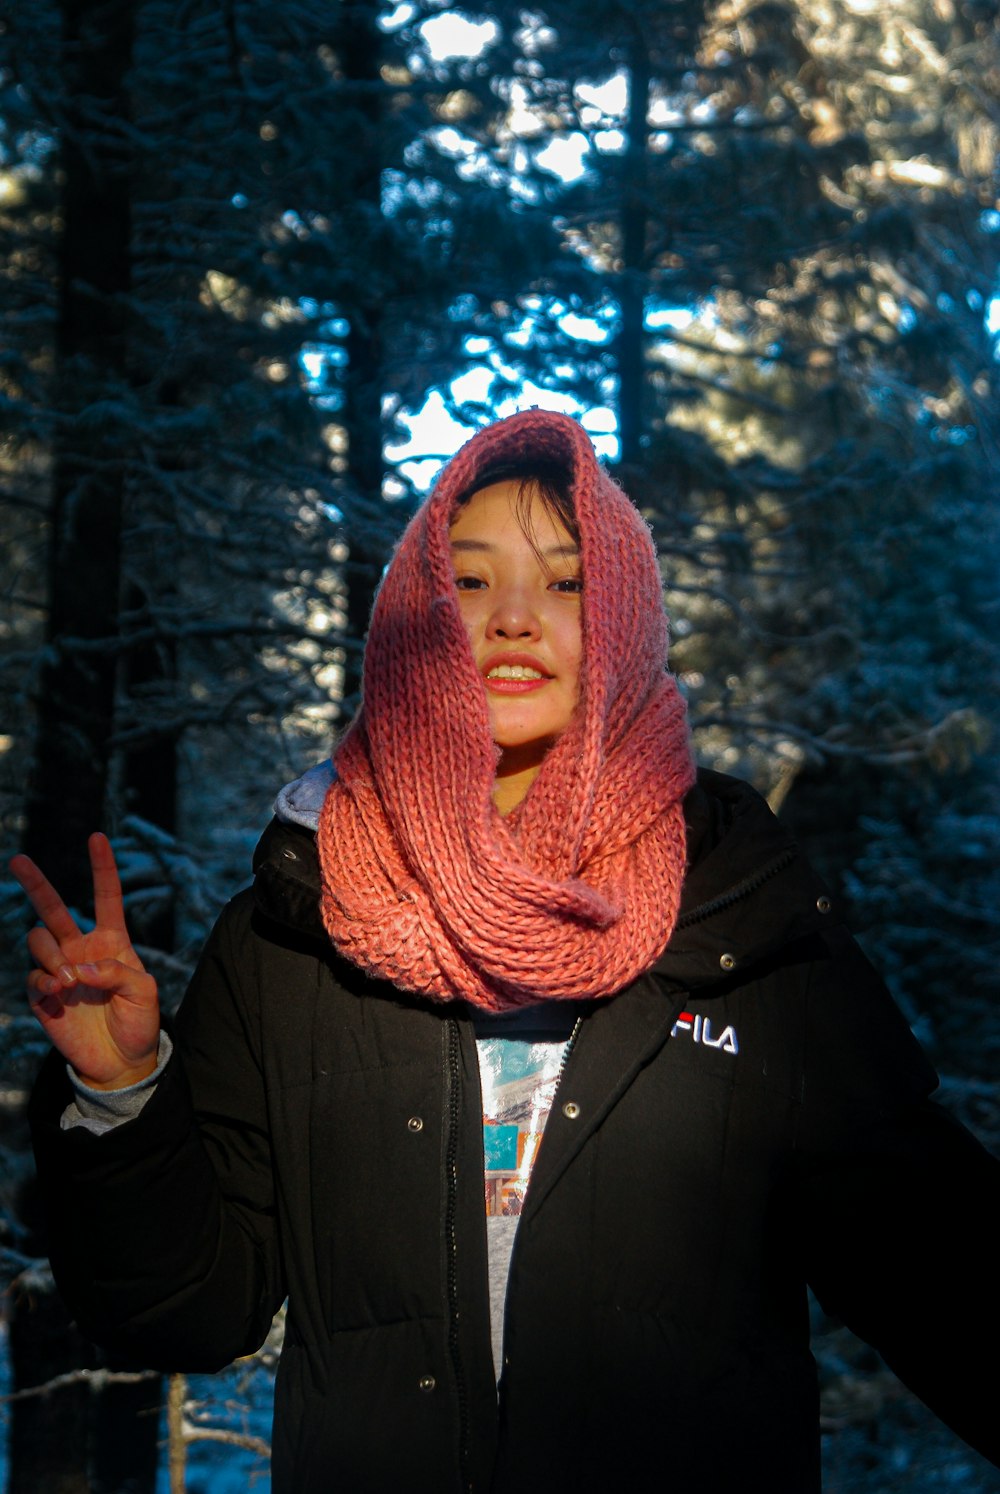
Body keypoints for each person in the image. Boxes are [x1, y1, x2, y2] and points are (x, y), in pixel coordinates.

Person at [13, 409, 999, 1494]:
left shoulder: (743, 919)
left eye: (567, 584)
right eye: (469, 583)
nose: (514, 620)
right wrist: (120, 1095)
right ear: (409, 617)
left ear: (623, 616)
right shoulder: (293, 928)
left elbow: (945, 1276)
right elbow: (188, 1309)